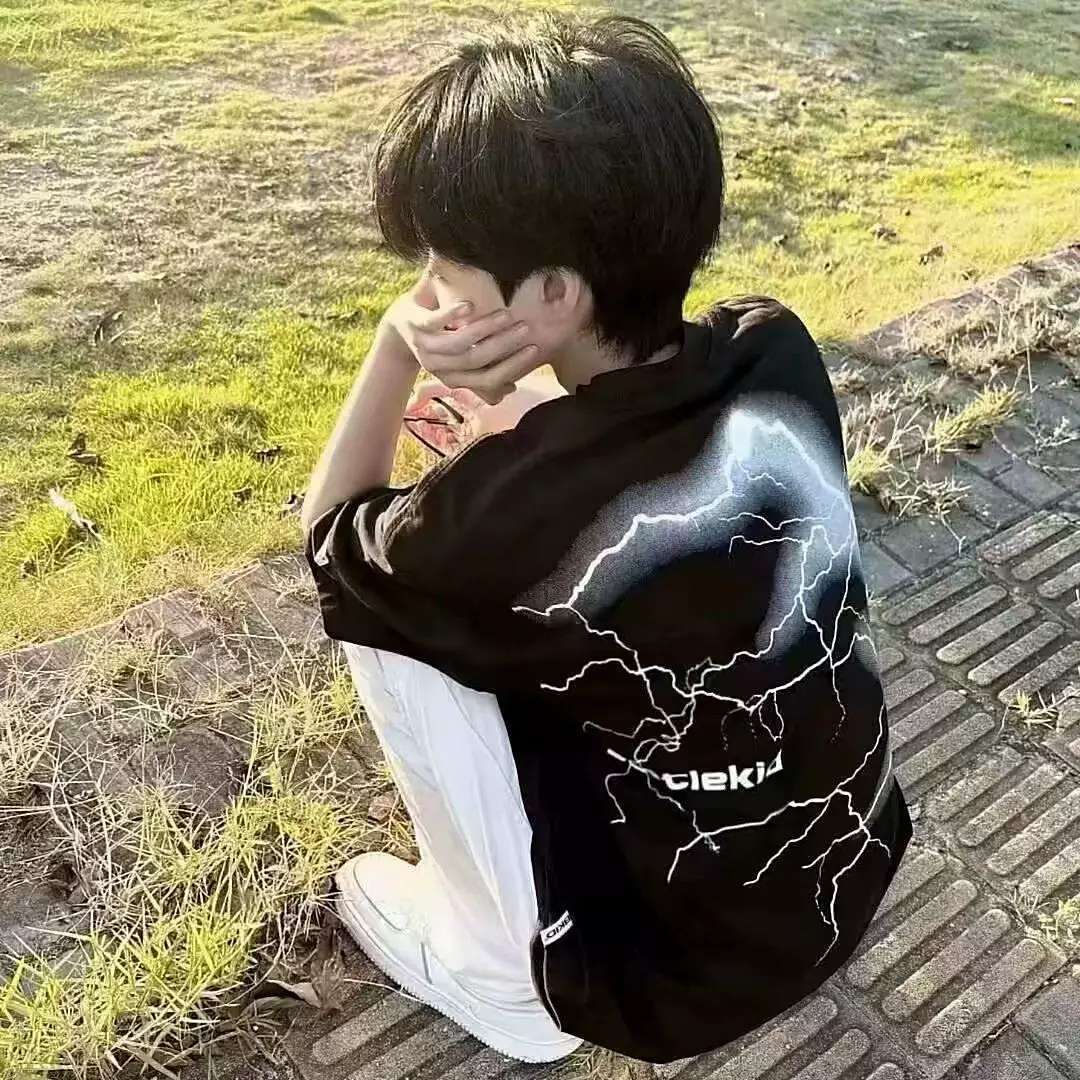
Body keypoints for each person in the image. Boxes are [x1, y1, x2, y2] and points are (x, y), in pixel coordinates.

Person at [300, 9, 913, 1067]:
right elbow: (636, 440)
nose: (431, 289)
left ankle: (495, 974)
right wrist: (535, 421)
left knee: (387, 618)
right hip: (850, 867)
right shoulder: (775, 347)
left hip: (655, 987)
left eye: (443, 265)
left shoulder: (503, 516)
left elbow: (327, 534)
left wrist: (394, 348)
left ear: (553, 293)